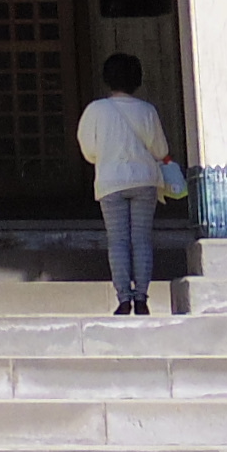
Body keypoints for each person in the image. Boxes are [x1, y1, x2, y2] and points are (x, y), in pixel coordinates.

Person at [76, 54, 171, 316]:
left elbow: (89, 150)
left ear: (107, 79)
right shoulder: (147, 111)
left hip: (110, 181)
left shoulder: (96, 110)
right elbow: (160, 149)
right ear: (137, 80)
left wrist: (105, 156)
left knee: (117, 241)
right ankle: (141, 298)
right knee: (141, 240)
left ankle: (123, 299)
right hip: (144, 180)